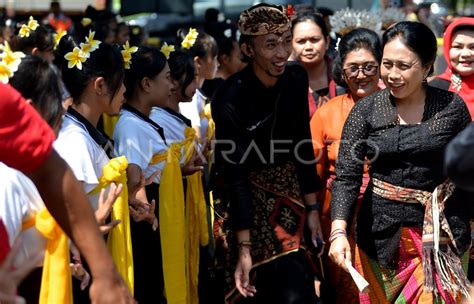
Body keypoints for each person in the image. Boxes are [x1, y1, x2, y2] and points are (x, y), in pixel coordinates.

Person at [328, 21, 471, 303]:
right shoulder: (365, 111)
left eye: (403, 66)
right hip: (380, 239)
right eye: (387, 64)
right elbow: (347, 176)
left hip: (444, 234)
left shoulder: (452, 107)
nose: (392, 75)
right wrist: (338, 231)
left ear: (428, 66)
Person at [212, 4, 322, 303]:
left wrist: (312, 210)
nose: (281, 52)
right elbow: (235, 173)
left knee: (297, 288)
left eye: (287, 41)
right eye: (270, 45)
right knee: (257, 290)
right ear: (247, 48)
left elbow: (302, 141)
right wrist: (244, 247)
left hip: (289, 195)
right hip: (243, 196)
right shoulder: (229, 95)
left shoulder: (296, 78)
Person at [0, 83, 133, 304]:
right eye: (58, 103)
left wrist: (97, 266)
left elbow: (56, 175)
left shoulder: (28, 173)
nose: (65, 110)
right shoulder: (9, 181)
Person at [310, 28, 382, 303]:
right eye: (353, 67)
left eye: (369, 67)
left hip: (388, 217)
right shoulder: (326, 113)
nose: (361, 74)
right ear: (342, 69)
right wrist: (314, 214)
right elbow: (312, 172)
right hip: (339, 219)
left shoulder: (401, 106)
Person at [291, 12, 337, 118]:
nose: (308, 47)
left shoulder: (342, 76)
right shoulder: (285, 81)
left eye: (314, 40)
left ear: (327, 41)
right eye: (301, 41)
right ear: (291, 44)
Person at [178, 29, 219, 141]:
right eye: (214, 58)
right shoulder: (190, 98)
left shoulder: (197, 95)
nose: (218, 64)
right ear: (198, 62)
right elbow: (196, 142)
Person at [431, 17, 474, 120]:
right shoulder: (434, 89)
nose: (465, 54)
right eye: (457, 47)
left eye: (473, 47)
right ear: (447, 49)